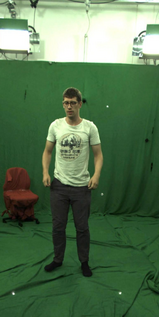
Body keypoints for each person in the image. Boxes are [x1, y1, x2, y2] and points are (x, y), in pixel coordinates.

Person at [42, 87, 103, 277]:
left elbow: (98, 155)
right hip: (59, 186)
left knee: (82, 228)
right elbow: (47, 151)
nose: (69, 107)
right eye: (66, 103)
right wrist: (45, 172)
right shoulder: (55, 126)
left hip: (82, 187)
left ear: (80, 104)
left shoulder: (90, 128)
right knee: (58, 227)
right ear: (63, 104)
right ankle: (57, 259)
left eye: (73, 103)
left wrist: (96, 175)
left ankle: (84, 262)